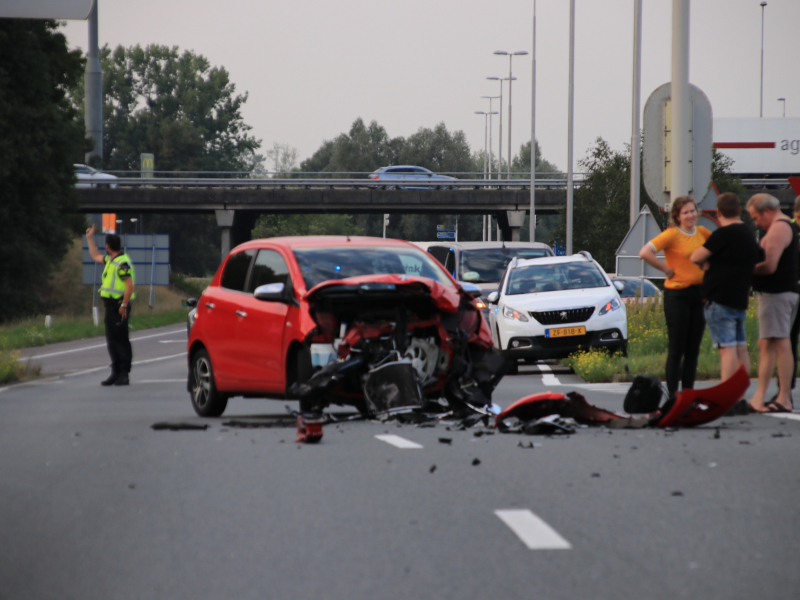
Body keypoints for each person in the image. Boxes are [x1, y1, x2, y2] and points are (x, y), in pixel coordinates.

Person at [639, 196, 711, 398]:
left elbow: (717, 250)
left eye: (692, 211)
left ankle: (688, 393)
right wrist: (666, 269)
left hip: (699, 294)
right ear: (678, 216)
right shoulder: (672, 235)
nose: (690, 215)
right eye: (686, 212)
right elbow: (645, 252)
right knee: (677, 347)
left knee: (693, 348)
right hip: (677, 295)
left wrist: (708, 264)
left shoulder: (703, 233)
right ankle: (673, 395)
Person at [690, 193, 760, 389]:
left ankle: (727, 394)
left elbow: (696, 257)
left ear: (718, 212)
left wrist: (706, 263)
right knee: (741, 349)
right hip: (740, 297)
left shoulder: (722, 234)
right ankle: (740, 395)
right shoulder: (747, 234)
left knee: (726, 349)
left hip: (719, 298)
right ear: (739, 210)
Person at [746, 194, 799, 413]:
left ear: (767, 211)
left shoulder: (778, 228)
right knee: (767, 344)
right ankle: (761, 397)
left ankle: (783, 397)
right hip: (780, 292)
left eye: (756, 218)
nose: (756, 223)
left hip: (777, 293)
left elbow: (769, 265)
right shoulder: (785, 226)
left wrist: (744, 270)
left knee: (779, 342)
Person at [86, 224, 135, 386]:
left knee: (121, 340)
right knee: (111, 340)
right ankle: (115, 371)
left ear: (108, 246)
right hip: (110, 306)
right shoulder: (110, 260)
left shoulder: (122, 263)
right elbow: (95, 256)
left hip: (119, 305)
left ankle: (124, 373)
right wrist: (89, 238)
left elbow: (129, 285)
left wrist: (124, 305)